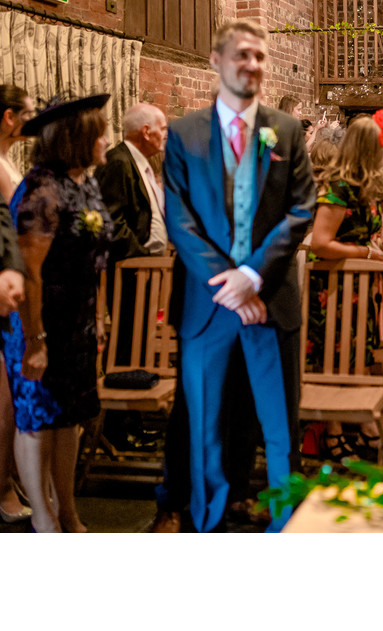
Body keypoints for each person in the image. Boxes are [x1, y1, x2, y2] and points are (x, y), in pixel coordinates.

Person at [163, 20, 315, 533]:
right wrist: (230, 285)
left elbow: (302, 209)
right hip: (208, 307)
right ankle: (207, 525)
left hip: (270, 300)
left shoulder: (286, 131)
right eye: (242, 55)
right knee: (205, 427)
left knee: (279, 428)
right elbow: (179, 220)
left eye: (260, 57)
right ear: (216, 61)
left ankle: (284, 525)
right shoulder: (183, 134)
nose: (252, 65)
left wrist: (252, 275)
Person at [4, 93, 113, 532]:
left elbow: (98, 256)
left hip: (78, 322)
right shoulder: (41, 189)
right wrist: (35, 340)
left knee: (69, 419)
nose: (106, 140)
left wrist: (100, 317)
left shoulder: (83, 182)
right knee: (37, 417)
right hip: (40, 322)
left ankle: (68, 509)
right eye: (99, 133)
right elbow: (28, 271)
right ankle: (45, 522)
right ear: (76, 137)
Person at [308, 113, 383, 460]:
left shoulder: (364, 186)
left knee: (358, 356)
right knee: (334, 357)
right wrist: (366, 253)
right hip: (332, 284)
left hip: (359, 283)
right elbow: (320, 242)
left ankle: (357, 420)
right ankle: (333, 430)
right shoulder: (337, 188)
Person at [93, 102, 168, 452]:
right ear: (145, 132)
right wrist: (139, 255)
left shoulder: (141, 162)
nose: (165, 134)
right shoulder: (119, 162)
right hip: (129, 268)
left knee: (138, 345)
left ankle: (135, 422)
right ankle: (119, 428)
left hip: (147, 265)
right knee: (126, 345)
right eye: (162, 127)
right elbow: (112, 220)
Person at [0, 85, 31, 524]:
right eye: (27, 113)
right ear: (9, 117)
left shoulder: (9, 159)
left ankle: (11, 477)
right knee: (4, 395)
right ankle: (3, 487)